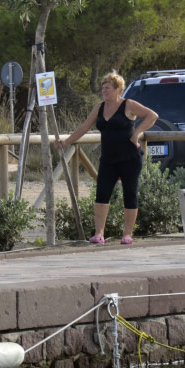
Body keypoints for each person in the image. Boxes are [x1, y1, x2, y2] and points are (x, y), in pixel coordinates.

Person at [58, 71, 158, 245]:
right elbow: (84, 127)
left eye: (107, 88)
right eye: (103, 88)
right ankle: (99, 233)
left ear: (117, 89)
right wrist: (66, 142)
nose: (104, 91)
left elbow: (152, 116)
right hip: (108, 159)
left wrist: (136, 134)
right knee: (102, 193)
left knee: (130, 193)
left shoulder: (128, 104)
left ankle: (127, 234)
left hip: (130, 158)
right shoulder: (100, 107)